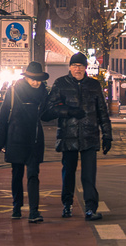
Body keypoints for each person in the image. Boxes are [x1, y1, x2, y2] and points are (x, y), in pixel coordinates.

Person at [45, 52, 112, 219]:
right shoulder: (60, 84)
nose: (78, 69)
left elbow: (102, 111)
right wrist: (69, 111)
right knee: (68, 173)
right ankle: (67, 204)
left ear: (85, 68)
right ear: (70, 67)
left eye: (81, 66)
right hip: (69, 136)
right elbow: (48, 110)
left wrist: (107, 135)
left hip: (90, 135)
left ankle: (90, 208)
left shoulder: (94, 85)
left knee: (89, 175)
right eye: (75, 66)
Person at [0, 61, 50, 222]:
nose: (35, 82)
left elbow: (46, 114)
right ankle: (16, 208)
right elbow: (3, 116)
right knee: (17, 175)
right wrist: (1, 141)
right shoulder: (13, 91)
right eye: (32, 78)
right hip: (16, 138)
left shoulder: (43, 94)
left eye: (38, 79)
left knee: (33, 175)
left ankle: (33, 211)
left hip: (34, 138)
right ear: (26, 77)